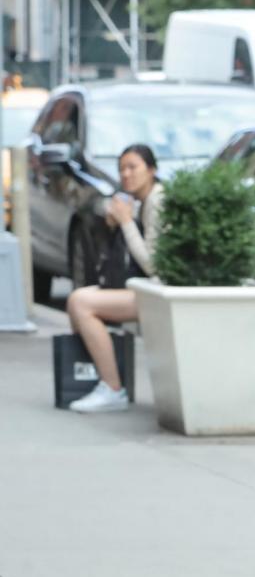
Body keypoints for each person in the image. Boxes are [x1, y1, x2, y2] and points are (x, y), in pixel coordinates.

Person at [67, 143, 164, 413]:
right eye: (122, 169)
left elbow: (153, 263)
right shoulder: (141, 202)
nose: (126, 175)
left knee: (80, 303)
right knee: (80, 301)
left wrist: (126, 223)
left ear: (152, 170)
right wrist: (115, 225)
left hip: (160, 291)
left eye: (133, 167)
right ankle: (101, 378)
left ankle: (112, 387)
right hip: (145, 288)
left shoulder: (158, 201)